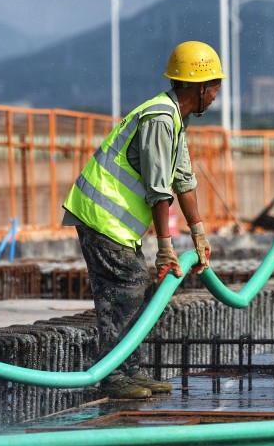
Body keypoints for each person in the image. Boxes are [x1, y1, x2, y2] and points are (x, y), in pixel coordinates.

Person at [62, 41, 221, 399]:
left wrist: (198, 233)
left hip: (115, 222)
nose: (215, 96)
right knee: (127, 287)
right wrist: (165, 246)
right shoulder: (160, 119)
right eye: (214, 87)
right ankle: (115, 375)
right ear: (198, 87)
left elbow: (184, 180)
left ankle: (129, 371)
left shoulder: (174, 119)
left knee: (133, 291)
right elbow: (158, 188)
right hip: (102, 216)